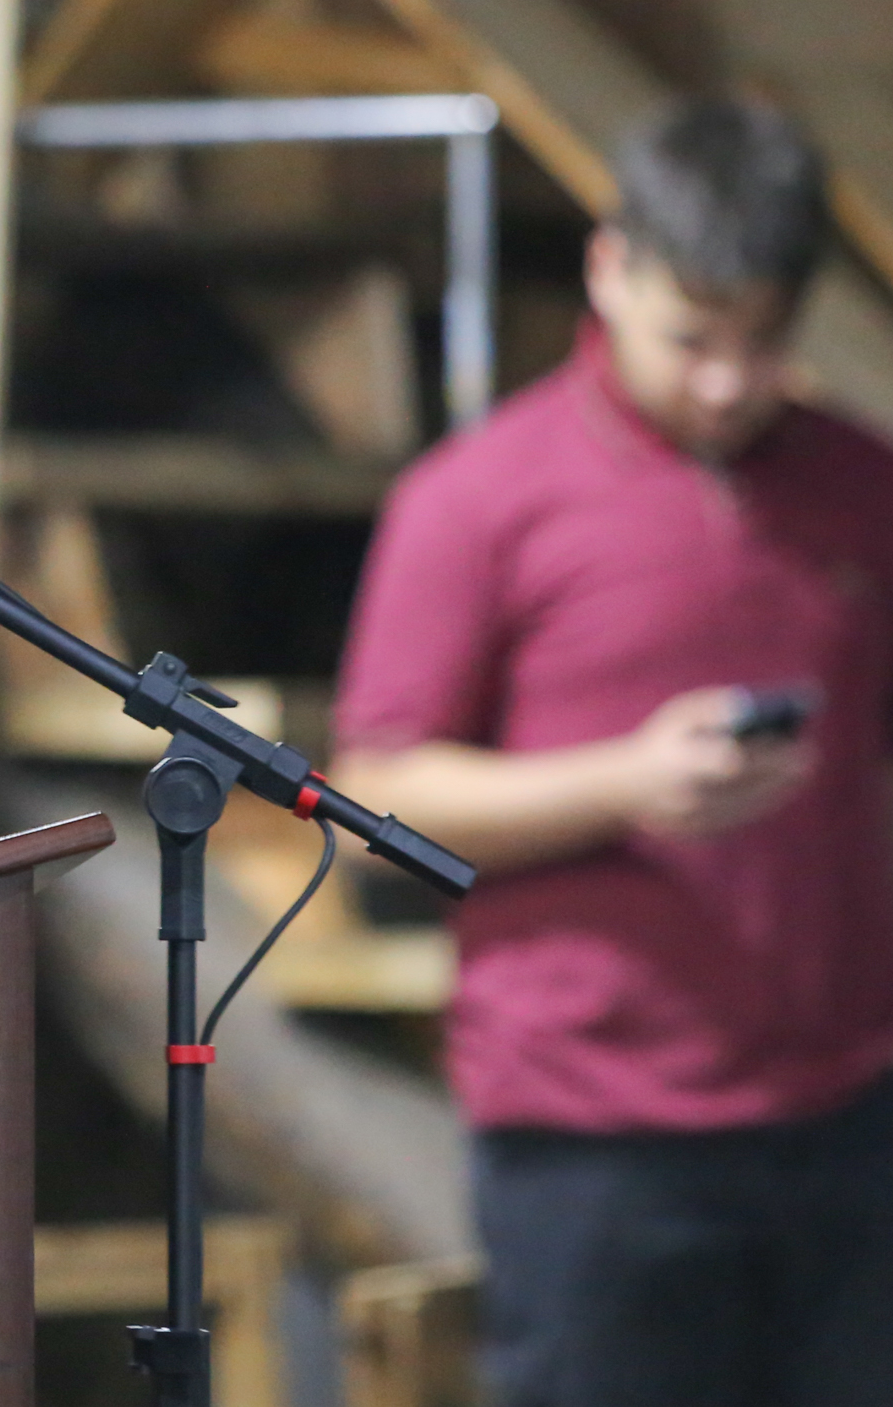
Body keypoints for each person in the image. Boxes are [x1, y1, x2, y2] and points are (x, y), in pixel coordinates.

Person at [330, 98, 893, 1407]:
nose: (727, 382)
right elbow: (370, 799)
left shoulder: (862, 485)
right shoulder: (476, 500)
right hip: (592, 1132)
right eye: (692, 337)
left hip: (851, 1109)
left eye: (764, 342)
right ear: (609, 268)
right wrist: (628, 783)